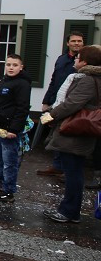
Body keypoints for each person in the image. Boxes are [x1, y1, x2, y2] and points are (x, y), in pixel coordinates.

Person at [40, 45, 101, 223]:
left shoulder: (88, 80)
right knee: (74, 171)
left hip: (75, 131)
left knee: (73, 172)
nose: (75, 59)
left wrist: (52, 115)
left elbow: (72, 104)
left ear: (85, 61)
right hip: (79, 131)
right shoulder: (91, 78)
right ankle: (69, 209)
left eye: (78, 57)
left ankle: (69, 211)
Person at [38, 32, 85, 176]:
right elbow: (54, 81)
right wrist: (46, 101)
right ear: (68, 43)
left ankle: (68, 170)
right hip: (57, 103)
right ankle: (57, 166)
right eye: (74, 41)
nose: (77, 43)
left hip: (73, 105)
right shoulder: (61, 59)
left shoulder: (84, 62)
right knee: (56, 134)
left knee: (68, 136)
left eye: (79, 41)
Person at [0, 54, 32, 202]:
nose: (11, 68)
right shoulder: (4, 81)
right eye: (8, 64)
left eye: (14, 65)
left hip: (10, 130)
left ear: (21, 67)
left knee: (9, 162)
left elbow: (22, 108)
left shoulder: (22, 84)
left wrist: (14, 129)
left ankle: (8, 190)